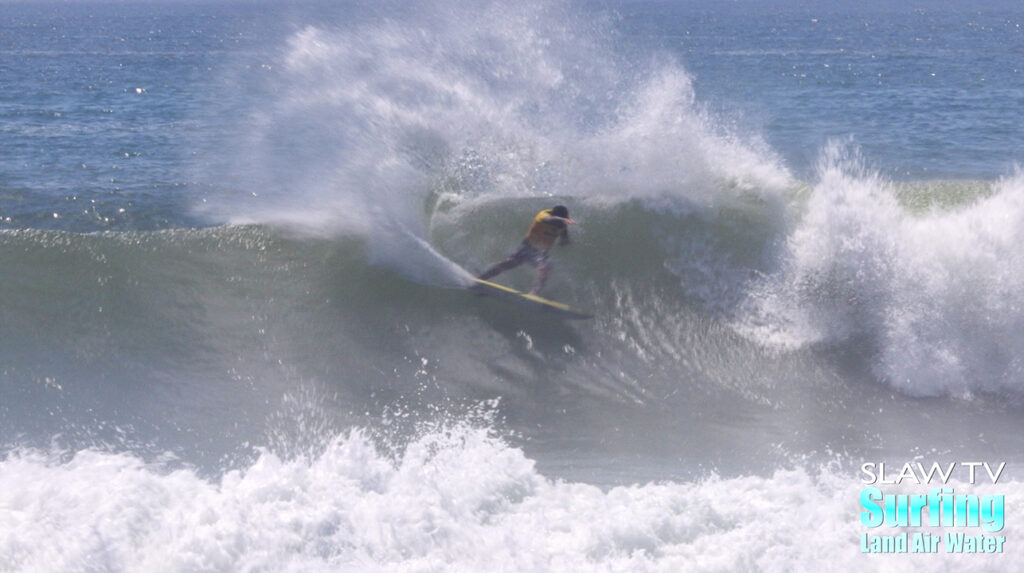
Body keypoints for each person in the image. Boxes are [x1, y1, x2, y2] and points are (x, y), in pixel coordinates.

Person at [478, 205, 576, 295]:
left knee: (546, 267)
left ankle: (533, 294)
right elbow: (547, 219)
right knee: (508, 263)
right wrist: (560, 219)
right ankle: (482, 278)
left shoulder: (563, 224)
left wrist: (565, 241)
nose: (561, 225)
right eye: (560, 221)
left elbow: (564, 239)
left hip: (542, 253)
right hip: (527, 247)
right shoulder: (543, 215)